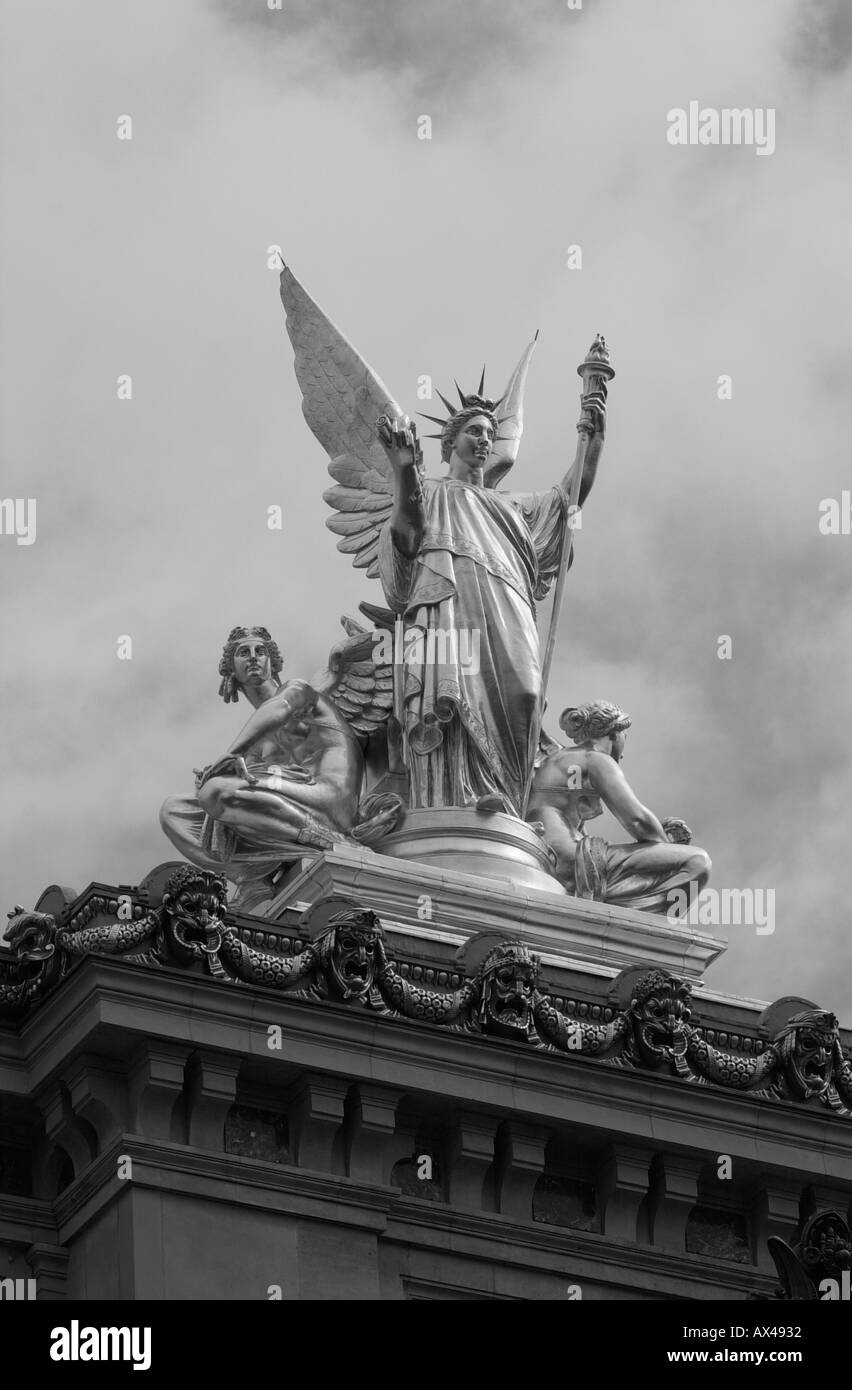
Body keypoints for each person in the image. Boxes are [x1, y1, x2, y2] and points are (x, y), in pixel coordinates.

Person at [375, 387, 605, 816]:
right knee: (452, 693)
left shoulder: (515, 505)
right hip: (447, 604)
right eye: (474, 431)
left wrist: (593, 439)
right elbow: (405, 539)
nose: (483, 440)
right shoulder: (430, 492)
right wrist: (403, 471)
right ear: (450, 443)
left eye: (489, 434)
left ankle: (511, 806)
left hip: (510, 604)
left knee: (526, 696)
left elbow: (571, 498)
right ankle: (456, 800)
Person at [527, 701, 711, 913]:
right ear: (614, 733)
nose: (623, 752)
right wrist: (663, 848)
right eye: (626, 737)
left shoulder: (557, 758)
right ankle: (644, 926)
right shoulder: (595, 759)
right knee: (697, 862)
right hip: (570, 861)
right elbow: (636, 820)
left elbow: (571, 824)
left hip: (546, 852)